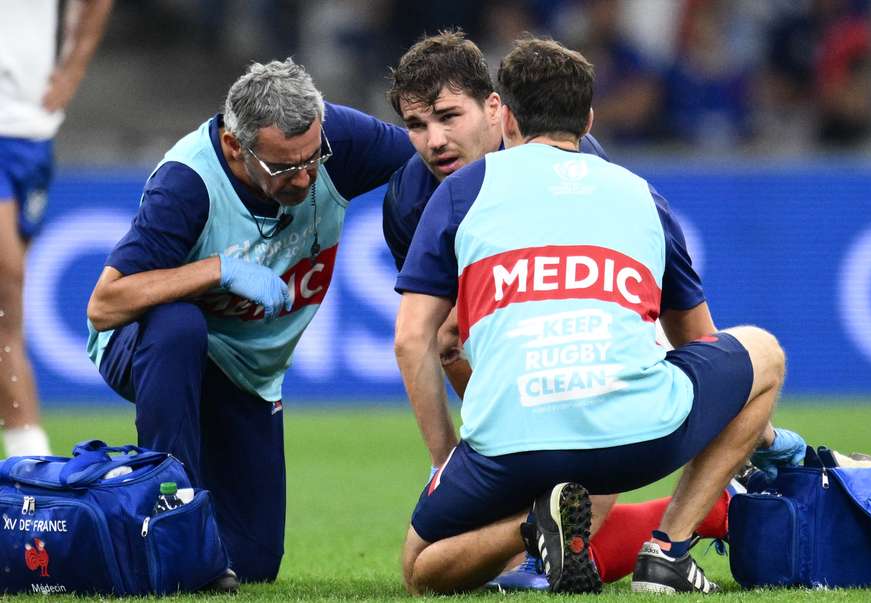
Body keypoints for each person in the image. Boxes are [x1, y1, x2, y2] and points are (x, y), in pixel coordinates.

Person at [384, 30, 804, 591]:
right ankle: (673, 536)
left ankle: (560, 528)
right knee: (760, 354)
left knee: (433, 565)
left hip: (549, 399)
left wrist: (451, 462)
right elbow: (701, 341)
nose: (435, 141)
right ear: (586, 118)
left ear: (499, 114)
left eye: (447, 117)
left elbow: (418, 338)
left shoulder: (457, 194)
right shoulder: (631, 189)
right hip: (610, 416)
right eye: (416, 126)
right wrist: (757, 430)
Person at [85, 58, 413, 587]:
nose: (307, 178)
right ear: (237, 147)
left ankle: (115, 530)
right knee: (177, 323)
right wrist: (215, 270)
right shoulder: (188, 184)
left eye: (313, 159)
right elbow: (105, 305)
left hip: (246, 375)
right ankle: (168, 516)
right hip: (150, 348)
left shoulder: (337, 139)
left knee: (254, 564)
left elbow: (435, 156)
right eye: (286, 169)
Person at [0, 0, 114, 457]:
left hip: (31, 133)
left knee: (8, 318)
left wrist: (72, 70)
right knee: (5, 288)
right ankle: (31, 460)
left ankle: (29, 467)